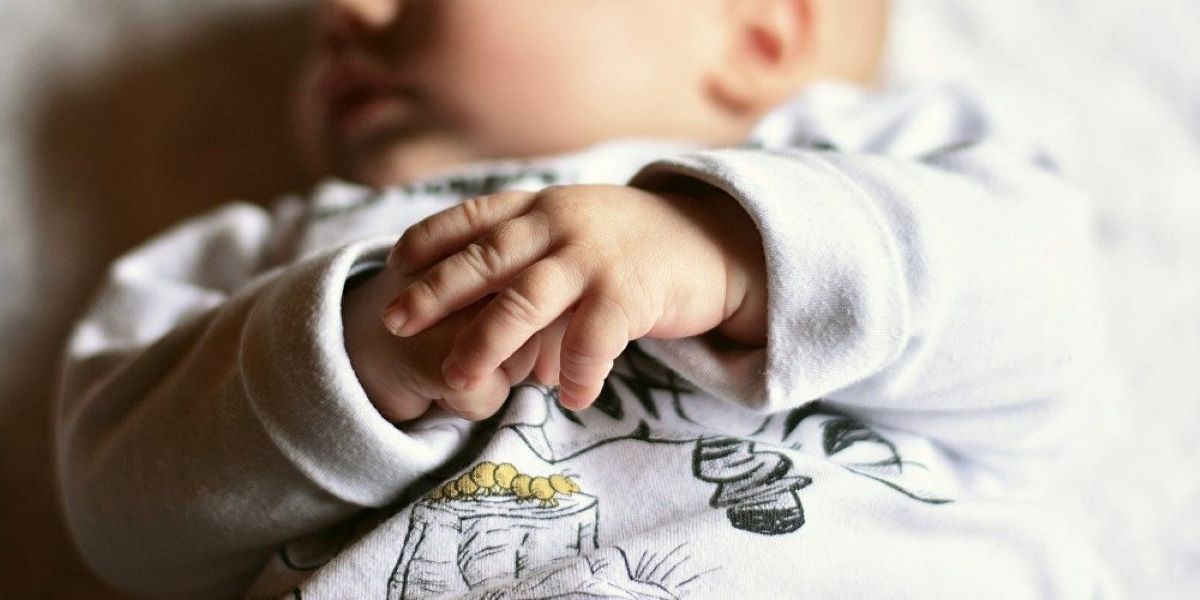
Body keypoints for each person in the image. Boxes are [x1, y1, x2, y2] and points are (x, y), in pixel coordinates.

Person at [55, 0, 1113, 598]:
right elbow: (125, 520)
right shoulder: (265, 255)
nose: (350, 14)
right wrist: (363, 345)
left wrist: (724, 248)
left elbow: (1046, 317)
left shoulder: (860, 161)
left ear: (756, 35)